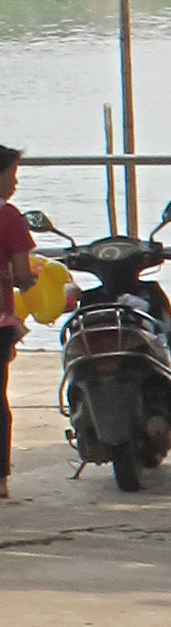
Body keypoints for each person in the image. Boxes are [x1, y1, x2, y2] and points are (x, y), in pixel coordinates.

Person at [0, 144, 36, 506]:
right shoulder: (9, 218)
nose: (15, 184)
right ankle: (0, 478)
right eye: (11, 176)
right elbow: (24, 276)